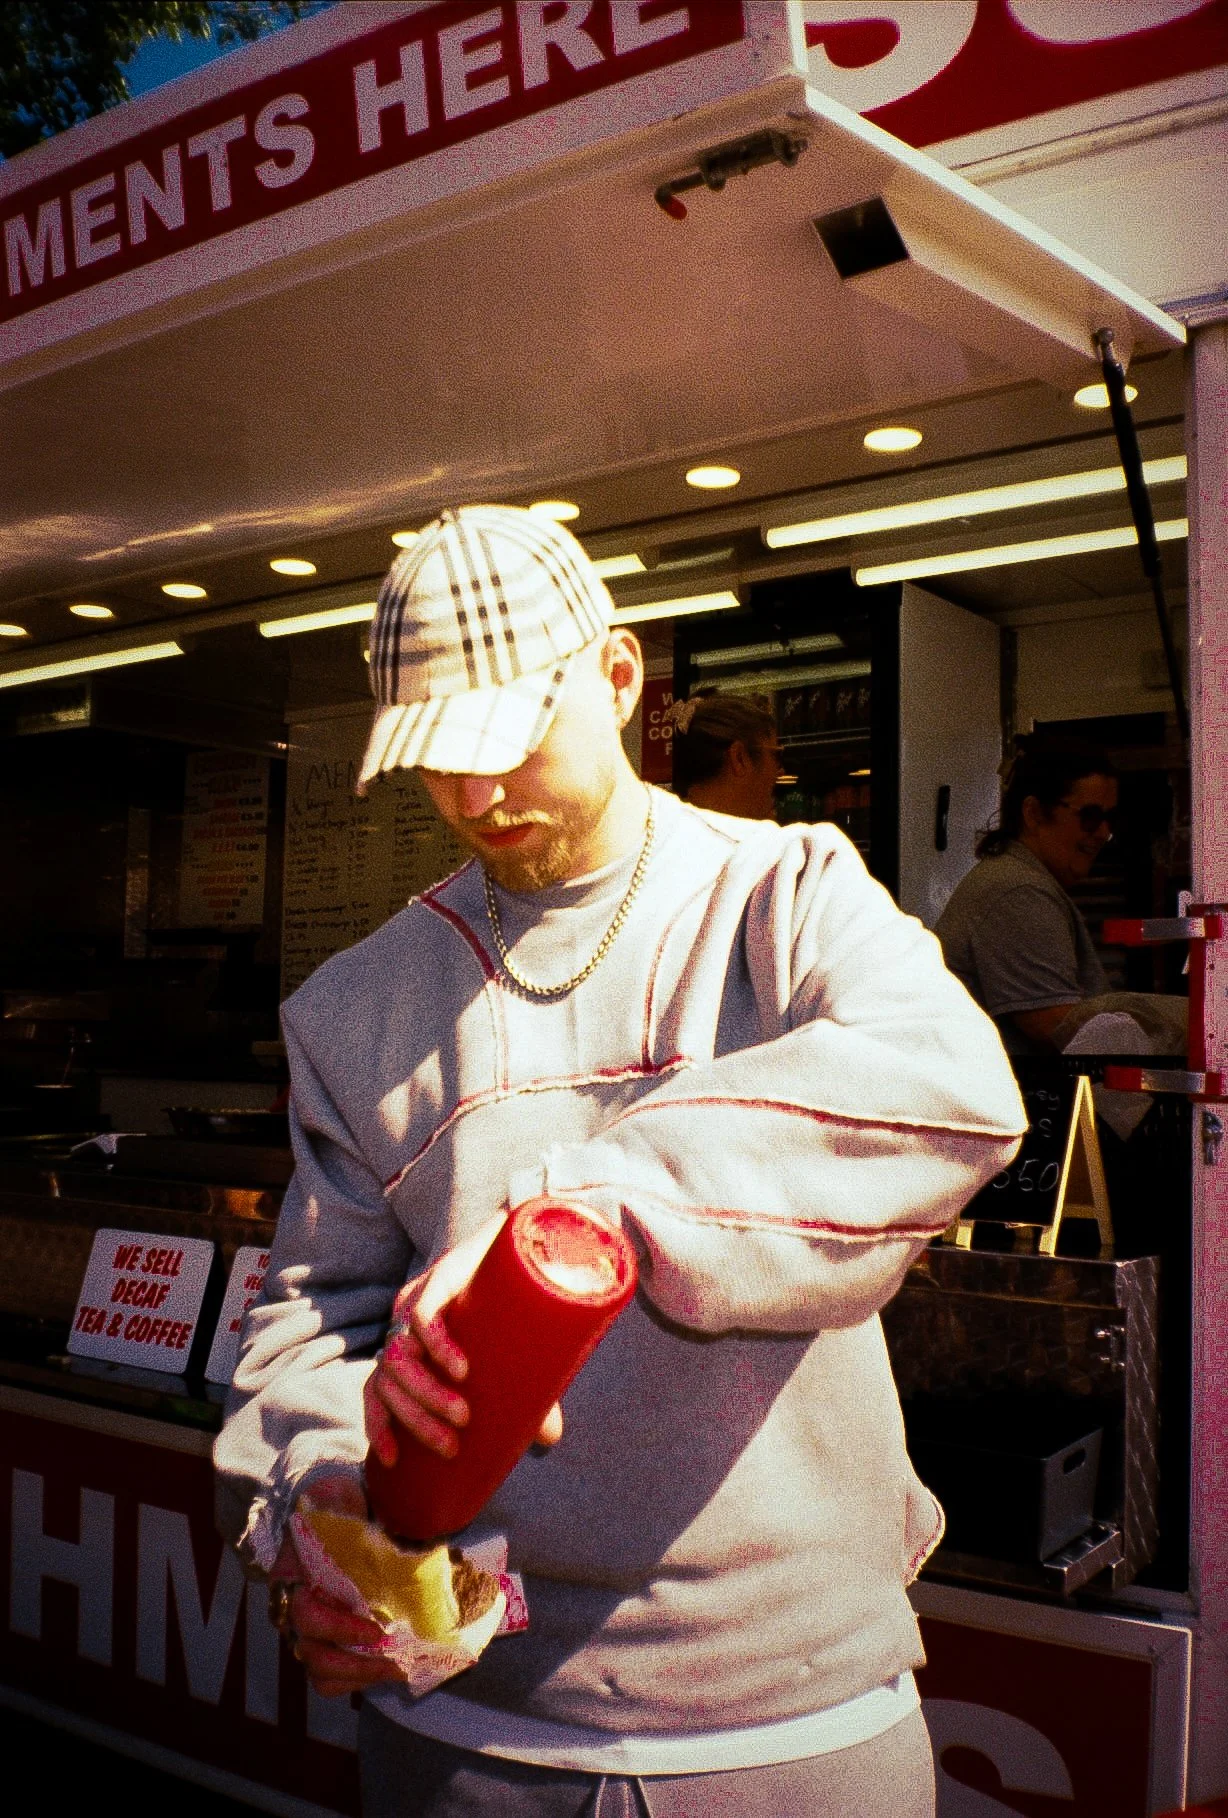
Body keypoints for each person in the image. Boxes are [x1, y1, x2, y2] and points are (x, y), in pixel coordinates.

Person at [215, 505, 1025, 1818]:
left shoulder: (787, 891)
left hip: (798, 1723)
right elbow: (307, 1322)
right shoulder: (354, 1007)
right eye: (436, 757)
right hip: (467, 1729)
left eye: (506, 740)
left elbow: (951, 1087)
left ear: (618, 675)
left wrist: (593, 1207)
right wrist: (320, 1516)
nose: (475, 796)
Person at [935, 735, 1121, 1057]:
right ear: (1034, 813)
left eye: (1108, 818)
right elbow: (1054, 1026)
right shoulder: (1018, 892)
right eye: (1089, 817)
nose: (1103, 833)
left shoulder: (1019, 880)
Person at [669, 689, 783, 819]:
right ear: (739, 758)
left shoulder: (668, 828)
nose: (781, 771)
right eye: (776, 755)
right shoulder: (750, 837)